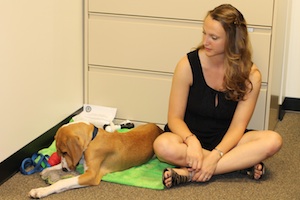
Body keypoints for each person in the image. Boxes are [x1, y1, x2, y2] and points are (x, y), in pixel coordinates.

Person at [153, 4, 283, 188]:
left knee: (273, 140)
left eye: (214, 37)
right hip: (189, 137)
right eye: (204, 33)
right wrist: (192, 142)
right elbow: (174, 119)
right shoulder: (187, 65)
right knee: (162, 146)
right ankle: (237, 165)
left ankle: (190, 173)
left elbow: (238, 126)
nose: (206, 41)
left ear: (232, 41)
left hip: (228, 141)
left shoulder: (251, 76)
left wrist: (217, 155)